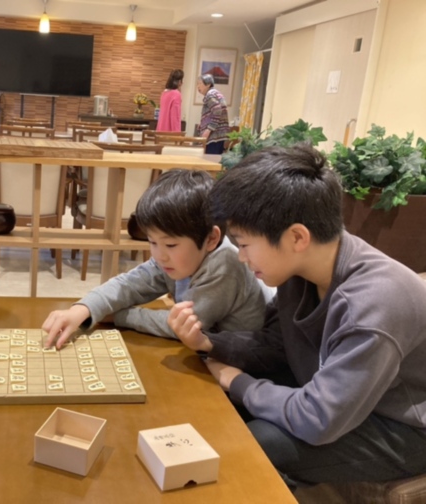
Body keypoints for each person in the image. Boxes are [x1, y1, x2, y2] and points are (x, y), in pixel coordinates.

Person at [168, 144, 426, 489]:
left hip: (404, 429)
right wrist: (208, 343)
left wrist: (238, 381)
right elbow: (277, 344)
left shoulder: (373, 304)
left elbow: (317, 418)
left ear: (297, 237)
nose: (241, 257)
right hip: (343, 399)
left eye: (244, 244)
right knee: (217, 403)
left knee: (258, 443)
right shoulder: (302, 267)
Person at [43, 169, 268, 349]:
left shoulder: (225, 264)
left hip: (239, 366)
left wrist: (120, 316)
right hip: (204, 355)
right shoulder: (174, 258)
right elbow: (130, 284)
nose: (159, 254)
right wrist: (84, 308)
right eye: (152, 242)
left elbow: (181, 328)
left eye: (170, 245)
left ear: (211, 239)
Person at [197, 74, 230, 155]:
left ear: (208, 84)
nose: (198, 86)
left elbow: (217, 110)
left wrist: (208, 129)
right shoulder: (215, 93)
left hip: (214, 136)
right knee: (216, 160)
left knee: (210, 160)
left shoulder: (210, 95)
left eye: (200, 83)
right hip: (220, 135)